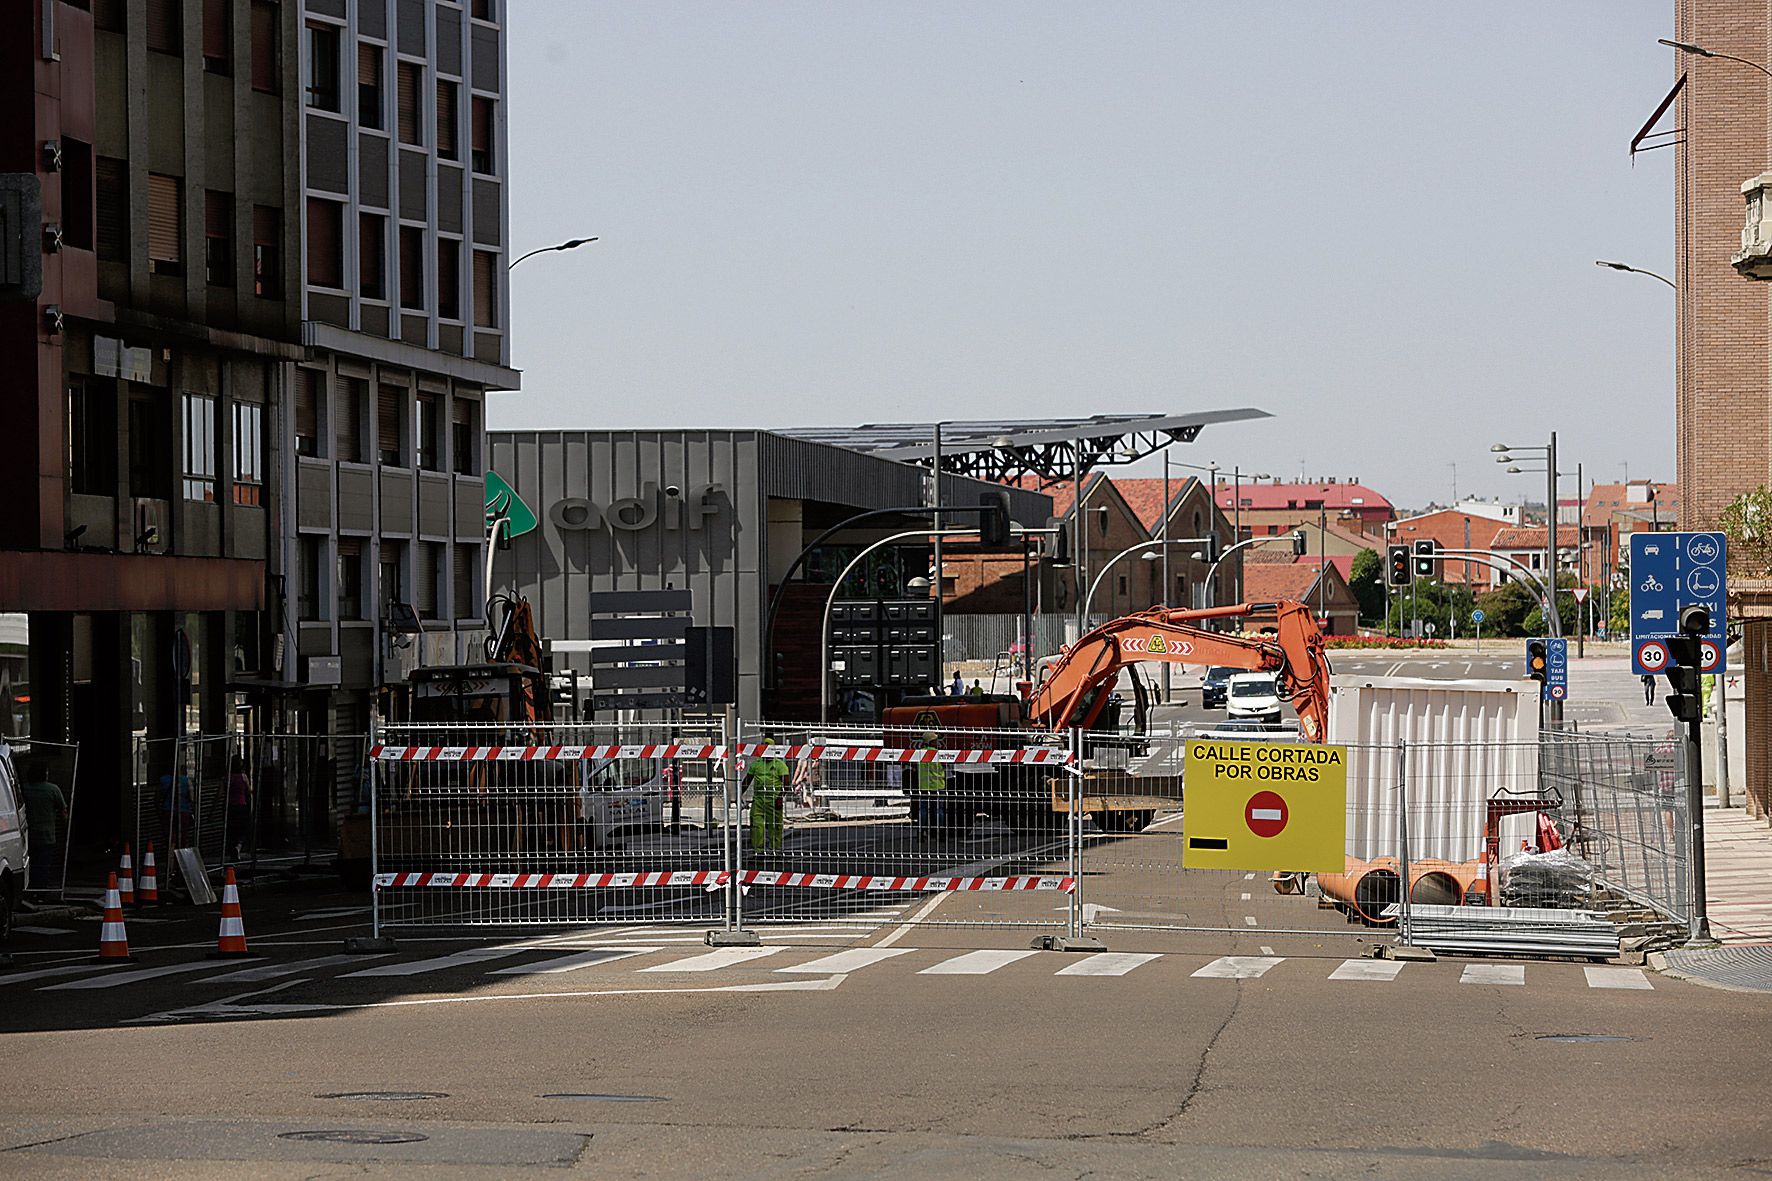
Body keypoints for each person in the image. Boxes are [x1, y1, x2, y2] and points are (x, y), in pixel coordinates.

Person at [20, 761, 68, 891]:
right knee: (44, 864)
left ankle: (29, 889)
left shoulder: (24, 789)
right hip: (47, 834)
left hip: (27, 834)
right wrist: (66, 826)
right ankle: (41, 891)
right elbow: (63, 811)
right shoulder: (53, 789)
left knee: (30, 863)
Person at [745, 734, 789, 852]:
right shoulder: (756, 764)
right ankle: (758, 850)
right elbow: (747, 781)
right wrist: (738, 795)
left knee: (775, 826)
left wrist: (780, 798)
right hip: (758, 800)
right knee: (756, 825)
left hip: (774, 800)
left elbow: (786, 784)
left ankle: (775, 850)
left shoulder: (780, 765)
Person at [913, 732, 947, 832]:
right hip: (938, 786)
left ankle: (921, 831)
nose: (937, 742)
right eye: (936, 740)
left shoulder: (919, 753)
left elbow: (915, 767)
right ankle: (939, 831)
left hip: (924, 786)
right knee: (938, 810)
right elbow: (944, 766)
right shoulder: (938, 753)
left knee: (923, 810)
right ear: (931, 742)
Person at [226, 757, 252, 861]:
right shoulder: (243, 777)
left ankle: (233, 848)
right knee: (243, 829)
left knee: (232, 829)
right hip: (242, 805)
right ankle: (238, 846)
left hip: (231, 806)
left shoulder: (228, 778)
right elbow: (249, 792)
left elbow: (220, 793)